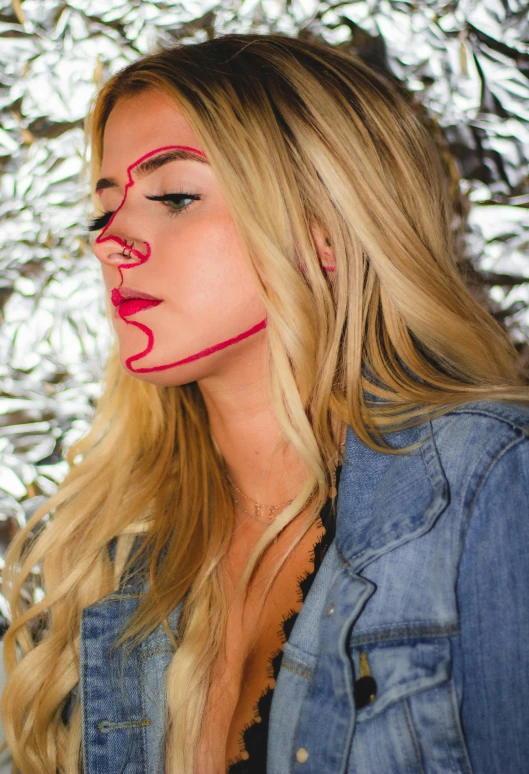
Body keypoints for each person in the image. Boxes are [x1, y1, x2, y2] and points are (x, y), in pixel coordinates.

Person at [1, 32, 528, 774]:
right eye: (104, 211)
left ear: (325, 232)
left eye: (174, 197)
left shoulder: (490, 486)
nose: (110, 243)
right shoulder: (124, 557)